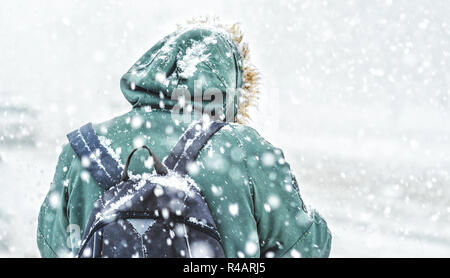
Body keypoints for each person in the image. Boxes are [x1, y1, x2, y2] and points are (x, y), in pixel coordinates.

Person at [37, 17, 331, 258]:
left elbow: (52, 247)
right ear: (232, 88)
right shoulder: (246, 149)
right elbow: (308, 249)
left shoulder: (81, 150)